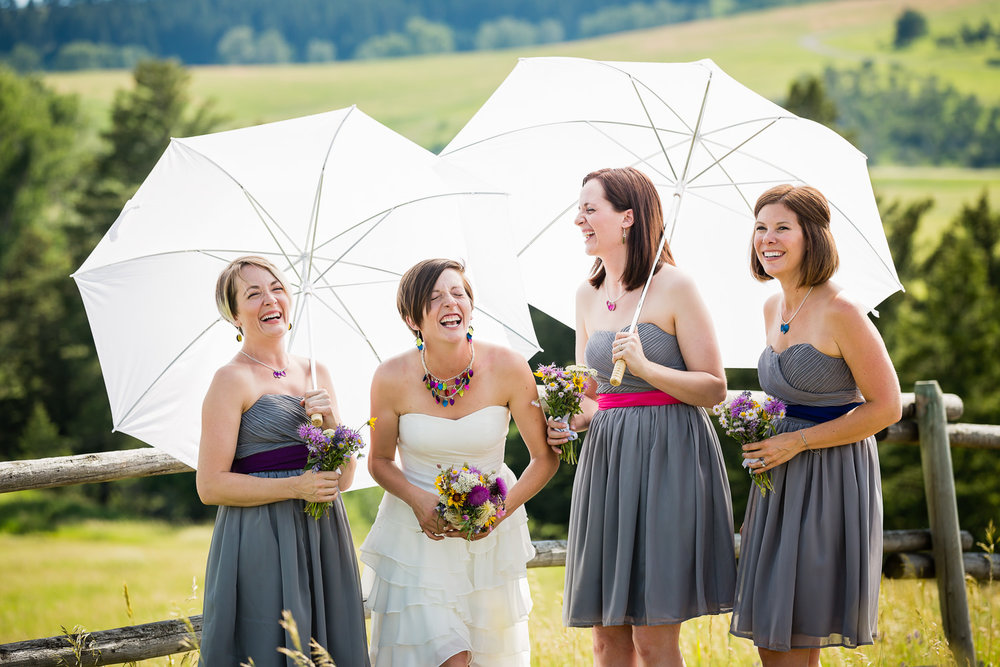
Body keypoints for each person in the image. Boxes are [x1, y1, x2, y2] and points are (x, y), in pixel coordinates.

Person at [547, 167, 736, 666]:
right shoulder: (586, 295)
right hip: (608, 461)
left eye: (590, 209)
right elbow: (592, 395)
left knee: (653, 638)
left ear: (627, 217)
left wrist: (648, 367)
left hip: (669, 456)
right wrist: (571, 420)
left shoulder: (675, 287)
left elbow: (714, 388)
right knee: (606, 637)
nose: (578, 220)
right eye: (580, 209)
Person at [729, 185, 901, 666]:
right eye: (761, 227)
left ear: (814, 236)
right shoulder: (771, 306)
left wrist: (798, 441)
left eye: (783, 227)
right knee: (770, 636)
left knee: (800, 636)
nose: (768, 238)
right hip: (778, 480)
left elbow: (887, 408)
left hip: (830, 480)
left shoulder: (843, 311)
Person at [359, 258, 559, 667]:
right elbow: (379, 461)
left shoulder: (509, 366)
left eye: (458, 293)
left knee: (486, 656)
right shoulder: (389, 377)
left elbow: (544, 459)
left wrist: (499, 512)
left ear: (470, 305)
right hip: (416, 538)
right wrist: (418, 500)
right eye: (434, 297)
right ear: (412, 317)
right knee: (446, 657)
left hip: (489, 537)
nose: (449, 303)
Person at [196, 256, 369, 667]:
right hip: (261, 537)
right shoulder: (230, 379)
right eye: (253, 294)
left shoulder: (316, 372)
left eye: (276, 288)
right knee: (268, 643)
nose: (270, 299)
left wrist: (331, 421)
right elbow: (210, 485)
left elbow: (343, 478)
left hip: (324, 533)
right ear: (234, 315)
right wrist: (294, 487)